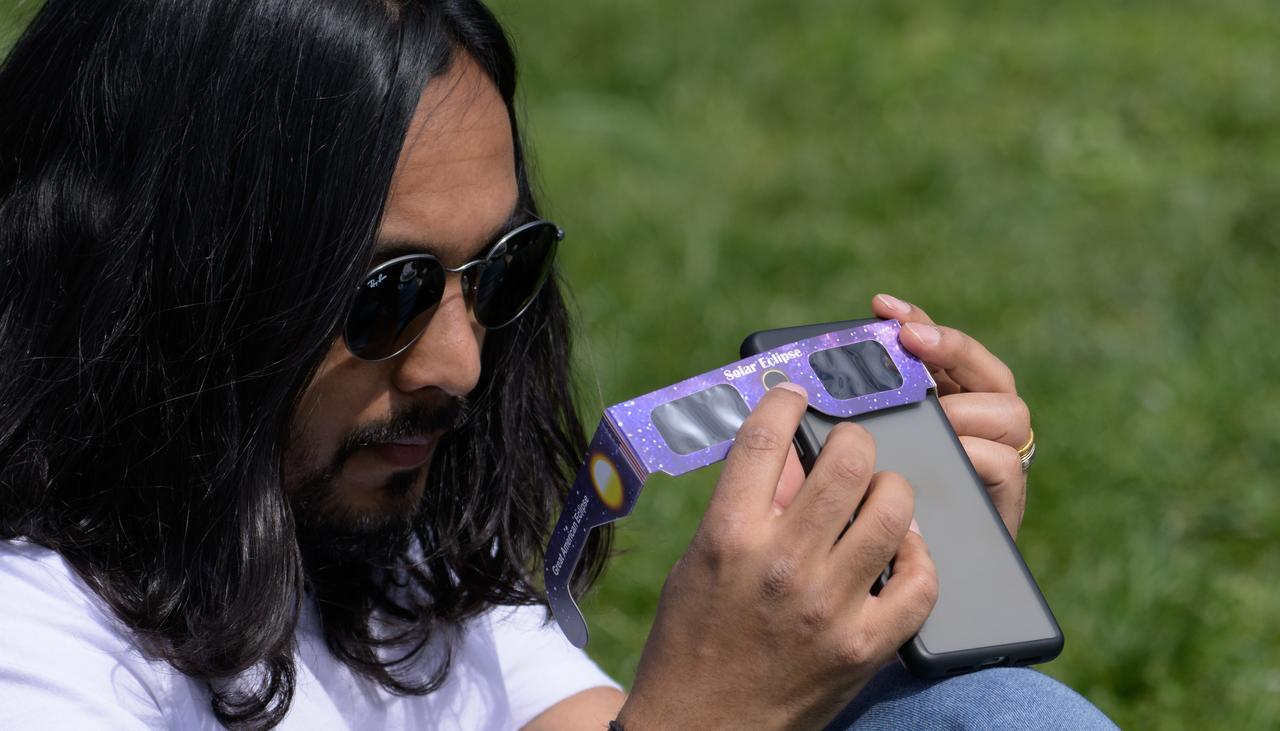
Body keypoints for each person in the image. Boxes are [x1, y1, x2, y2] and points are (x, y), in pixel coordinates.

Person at [0, 1, 1116, 729]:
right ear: (154, 283)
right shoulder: (31, 648)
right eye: (383, 293)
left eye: (496, 271)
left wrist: (850, 613)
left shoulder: (364, 551)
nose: (461, 359)